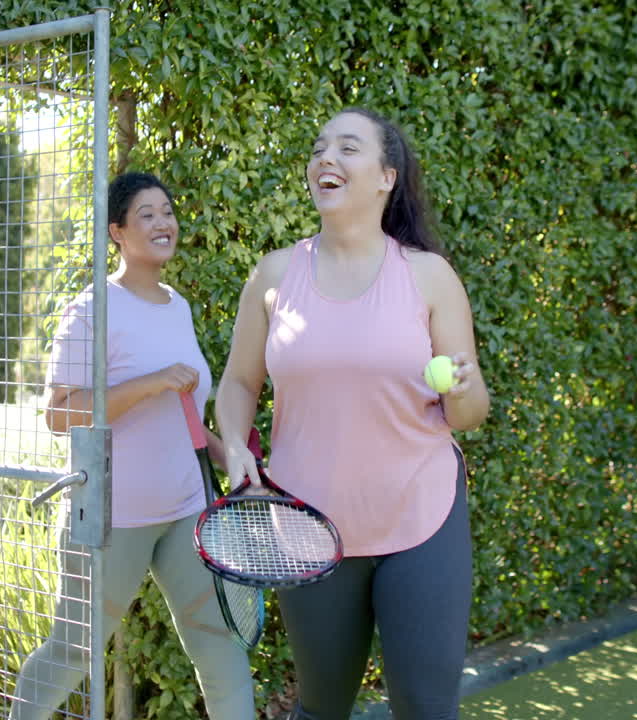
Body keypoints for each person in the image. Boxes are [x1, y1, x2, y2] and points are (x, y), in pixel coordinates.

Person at [215, 108, 491, 720]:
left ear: (386, 176)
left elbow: (468, 413)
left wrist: (467, 387)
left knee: (425, 709)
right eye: (318, 149)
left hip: (421, 517)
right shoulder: (274, 274)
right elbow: (237, 382)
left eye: (347, 148)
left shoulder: (429, 277)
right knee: (321, 709)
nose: (325, 159)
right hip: (310, 528)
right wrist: (235, 442)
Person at [10, 172, 256, 720]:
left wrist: (225, 452)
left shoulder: (179, 307)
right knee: (71, 654)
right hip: (111, 521)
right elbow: (59, 412)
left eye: (167, 211)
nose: (163, 222)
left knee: (221, 653)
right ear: (117, 231)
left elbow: (185, 415)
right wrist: (148, 383)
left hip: (186, 513)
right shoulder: (91, 309)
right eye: (147, 214)